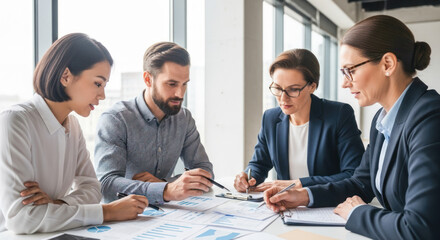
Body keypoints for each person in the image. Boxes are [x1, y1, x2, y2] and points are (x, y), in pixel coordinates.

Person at [264, 15, 440, 239]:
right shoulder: (382, 120)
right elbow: (360, 183)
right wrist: (304, 196)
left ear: (388, 64)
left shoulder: (430, 118)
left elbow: (418, 227)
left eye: (351, 70)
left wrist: (357, 212)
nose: (345, 83)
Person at [0, 33, 149, 234]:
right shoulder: (14, 121)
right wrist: (107, 212)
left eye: (104, 86)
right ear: (65, 76)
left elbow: (92, 190)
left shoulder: (73, 125)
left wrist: (56, 204)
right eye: (98, 83)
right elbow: (21, 219)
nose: (102, 95)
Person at [95, 42, 213, 205]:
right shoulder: (116, 119)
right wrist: (166, 190)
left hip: (168, 216)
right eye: (171, 84)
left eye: (184, 84)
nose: (180, 93)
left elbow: (205, 172)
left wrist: (163, 184)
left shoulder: (184, 118)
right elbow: (106, 185)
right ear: (148, 79)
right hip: (124, 219)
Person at [234, 49, 364, 193]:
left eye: (293, 90)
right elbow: (259, 163)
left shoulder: (339, 115)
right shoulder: (270, 118)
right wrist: (247, 175)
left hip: (327, 204)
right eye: (277, 88)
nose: (283, 98)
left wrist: (299, 184)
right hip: (285, 206)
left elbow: (353, 174)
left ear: (312, 87)